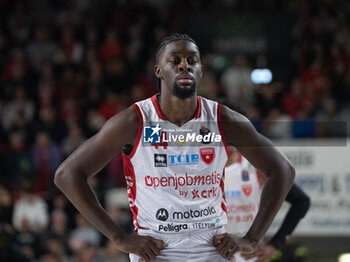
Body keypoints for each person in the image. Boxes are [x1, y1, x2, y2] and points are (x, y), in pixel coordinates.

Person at [54, 33, 295, 262]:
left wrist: (252, 239)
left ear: (201, 71)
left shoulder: (224, 120)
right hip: (156, 249)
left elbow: (282, 170)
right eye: (175, 60)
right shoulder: (134, 121)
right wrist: (119, 237)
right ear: (159, 70)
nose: (184, 66)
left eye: (192, 60)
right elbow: (68, 175)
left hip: (212, 248)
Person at [224, 146, 310, 262]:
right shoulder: (200, 165)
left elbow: (301, 201)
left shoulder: (254, 167)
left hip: (245, 253)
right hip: (209, 249)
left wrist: (275, 243)